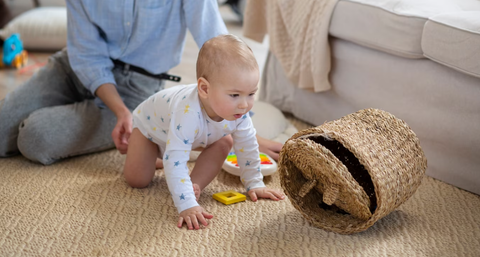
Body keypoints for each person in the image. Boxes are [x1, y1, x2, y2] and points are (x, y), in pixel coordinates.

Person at [0, 0, 282, 165]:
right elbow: (87, 54)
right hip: (74, 66)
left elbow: (218, 44)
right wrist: (119, 112)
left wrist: (235, 126)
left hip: (138, 87)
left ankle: (154, 133)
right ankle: (156, 132)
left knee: (36, 137)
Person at [124, 34, 285, 230]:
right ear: (204, 89)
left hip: (190, 137)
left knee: (226, 142)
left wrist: (255, 183)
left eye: (251, 94)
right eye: (234, 95)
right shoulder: (188, 113)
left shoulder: (239, 112)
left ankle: (193, 185)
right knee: (138, 180)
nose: (244, 104)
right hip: (150, 130)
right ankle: (152, 153)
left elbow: (248, 146)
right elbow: (176, 161)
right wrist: (186, 206)